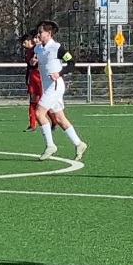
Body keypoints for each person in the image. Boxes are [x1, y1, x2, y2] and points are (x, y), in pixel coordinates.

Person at [34, 21, 88, 162]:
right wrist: (33, 63)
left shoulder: (57, 48)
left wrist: (59, 73)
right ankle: (79, 143)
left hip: (55, 86)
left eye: (40, 32)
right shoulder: (38, 48)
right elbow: (35, 64)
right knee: (59, 118)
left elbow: (71, 63)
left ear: (48, 33)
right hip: (47, 86)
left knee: (39, 113)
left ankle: (50, 145)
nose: (38, 34)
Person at [22, 32, 43, 132]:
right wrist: (27, 77)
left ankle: (54, 121)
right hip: (33, 78)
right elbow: (29, 66)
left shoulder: (39, 49)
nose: (23, 45)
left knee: (44, 101)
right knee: (33, 100)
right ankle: (32, 124)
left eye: (24, 42)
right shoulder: (28, 51)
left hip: (41, 78)